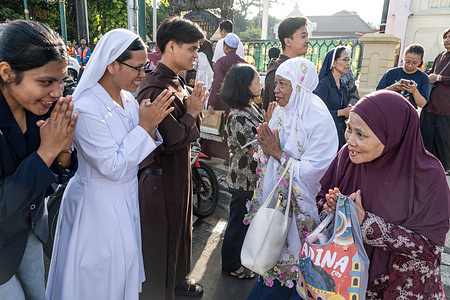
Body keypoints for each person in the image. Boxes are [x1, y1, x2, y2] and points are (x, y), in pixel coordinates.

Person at [46, 29, 174, 299]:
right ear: (112, 64)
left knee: (122, 272)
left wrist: (146, 127)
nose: (143, 74)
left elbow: (135, 156)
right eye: (138, 68)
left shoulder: (128, 99)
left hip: (125, 199)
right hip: (95, 206)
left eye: (146, 66)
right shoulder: (86, 106)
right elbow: (112, 166)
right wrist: (145, 126)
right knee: (95, 278)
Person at [319, 90, 450, 299]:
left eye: (360, 134)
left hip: (403, 288)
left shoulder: (427, 175)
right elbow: (321, 197)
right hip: (348, 282)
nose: (350, 140)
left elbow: (430, 248)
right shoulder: (348, 156)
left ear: (391, 134)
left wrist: (365, 223)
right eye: (349, 129)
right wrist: (334, 208)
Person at [244, 57, 338, 299]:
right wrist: (266, 150)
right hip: (277, 205)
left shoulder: (318, 118)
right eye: (275, 83)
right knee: (271, 257)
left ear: (299, 85)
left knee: (294, 272)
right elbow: (267, 157)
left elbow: (313, 171)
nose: (275, 91)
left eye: (282, 84)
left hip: (302, 210)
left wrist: (276, 153)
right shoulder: (281, 114)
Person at [0, 20, 77, 299]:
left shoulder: (44, 108)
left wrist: (64, 151)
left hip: (30, 228)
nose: (57, 93)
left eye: (61, 81)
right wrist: (47, 152)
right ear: (7, 72)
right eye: (46, 82)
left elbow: (58, 174)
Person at [137, 17, 208, 299]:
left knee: (179, 235)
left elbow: (187, 129)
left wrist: (192, 111)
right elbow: (170, 141)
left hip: (176, 177)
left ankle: (177, 283)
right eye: (191, 48)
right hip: (161, 181)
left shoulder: (175, 81)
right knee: (161, 247)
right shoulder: (156, 88)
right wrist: (191, 112)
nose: (196, 55)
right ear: (170, 47)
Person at [220, 63, 270, 280]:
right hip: (243, 180)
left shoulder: (251, 108)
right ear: (244, 85)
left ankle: (241, 259)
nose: (260, 84)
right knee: (237, 224)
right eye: (256, 80)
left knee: (245, 223)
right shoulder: (237, 116)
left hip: (253, 179)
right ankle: (230, 264)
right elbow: (256, 150)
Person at [204, 33, 248, 162]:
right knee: (234, 128)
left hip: (223, 101)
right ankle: (231, 156)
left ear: (225, 47)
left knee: (220, 129)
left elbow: (217, 83)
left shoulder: (221, 62)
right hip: (239, 101)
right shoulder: (244, 62)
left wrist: (211, 102)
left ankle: (213, 153)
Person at [420, 27, 450, 175]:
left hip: (446, 108)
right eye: (445, 37)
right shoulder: (440, 55)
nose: (447, 40)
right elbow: (430, 73)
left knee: (443, 138)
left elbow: (435, 76)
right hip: (430, 103)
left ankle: (444, 168)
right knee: (425, 134)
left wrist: (438, 78)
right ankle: (425, 165)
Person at [263, 17, 310, 111]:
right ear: (288, 41)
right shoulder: (278, 71)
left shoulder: (296, 68)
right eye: (303, 36)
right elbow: (276, 113)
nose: (307, 40)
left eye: (307, 36)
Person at [314, 46, 352, 149]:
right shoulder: (323, 85)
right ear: (333, 63)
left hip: (339, 135)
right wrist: (341, 112)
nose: (348, 63)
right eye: (344, 60)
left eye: (349, 60)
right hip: (324, 137)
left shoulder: (343, 86)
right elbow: (315, 114)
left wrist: (347, 110)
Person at [376, 44, 429, 108]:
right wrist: (392, 88)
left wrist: (414, 91)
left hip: (408, 112)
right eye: (407, 62)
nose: (410, 65)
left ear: (420, 62)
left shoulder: (423, 78)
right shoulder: (391, 73)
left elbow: (422, 104)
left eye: (415, 63)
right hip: (387, 109)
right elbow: (377, 94)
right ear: (403, 58)